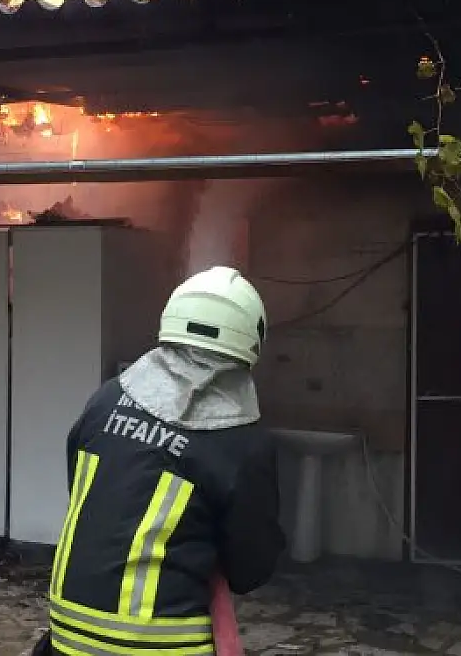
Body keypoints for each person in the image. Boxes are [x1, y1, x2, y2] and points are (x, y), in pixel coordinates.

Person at [35, 266, 286, 656]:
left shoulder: (104, 402)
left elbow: (91, 496)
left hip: (66, 637)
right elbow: (250, 570)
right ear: (251, 344)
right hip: (161, 646)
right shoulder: (242, 443)